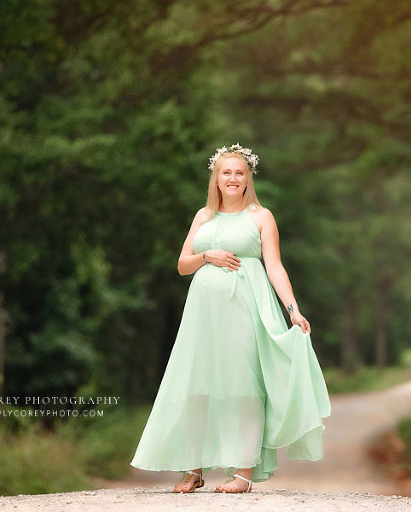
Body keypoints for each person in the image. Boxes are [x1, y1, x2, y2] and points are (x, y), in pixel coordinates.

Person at [130, 143, 330, 494]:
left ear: (248, 178)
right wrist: (208, 255)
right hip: (203, 313)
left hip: (246, 307)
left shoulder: (261, 216)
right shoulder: (203, 217)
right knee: (197, 385)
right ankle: (193, 468)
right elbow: (182, 265)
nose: (233, 178)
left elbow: (274, 266)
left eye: (240, 172)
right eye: (227, 173)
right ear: (216, 179)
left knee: (243, 385)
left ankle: (242, 473)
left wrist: (293, 310)